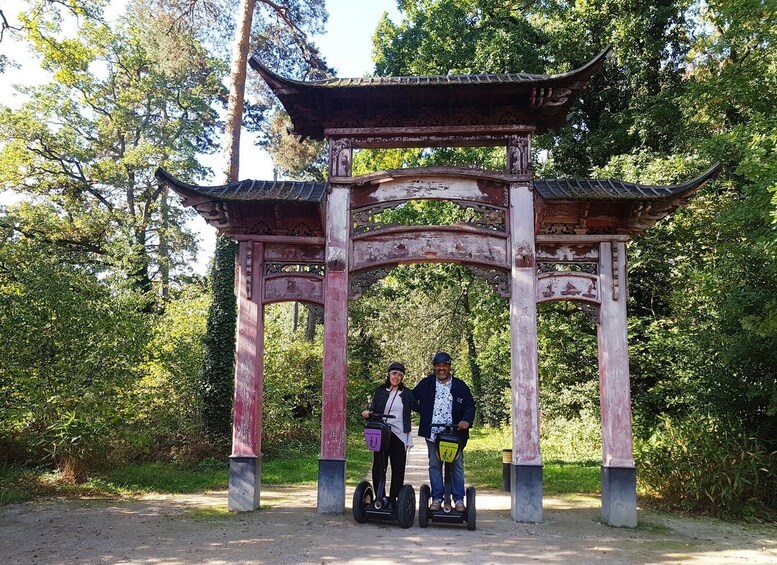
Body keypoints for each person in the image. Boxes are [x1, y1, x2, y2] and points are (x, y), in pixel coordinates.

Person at [412, 351, 475, 513]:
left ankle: (459, 499)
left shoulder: (459, 386)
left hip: (455, 435)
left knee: (457, 466)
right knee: (435, 465)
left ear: (449, 367)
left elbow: (470, 406)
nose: (441, 369)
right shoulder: (426, 383)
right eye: (438, 365)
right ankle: (437, 498)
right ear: (434, 367)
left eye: (445, 365)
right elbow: (412, 398)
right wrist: (424, 412)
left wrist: (465, 421)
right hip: (433, 433)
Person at [361, 361, 414, 510]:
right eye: (393, 373)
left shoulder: (407, 393)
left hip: (399, 434)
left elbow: (420, 407)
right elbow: (373, 409)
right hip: (382, 432)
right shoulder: (380, 391)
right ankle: (380, 497)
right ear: (388, 374)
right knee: (378, 466)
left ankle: (393, 500)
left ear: (402, 377)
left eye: (399, 374)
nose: (396, 377)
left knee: (398, 468)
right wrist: (367, 413)